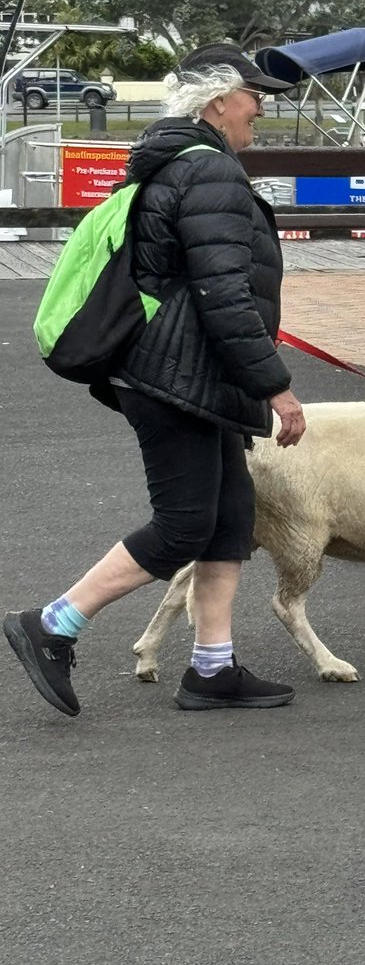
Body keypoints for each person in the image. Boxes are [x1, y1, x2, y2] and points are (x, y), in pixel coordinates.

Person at [4, 43, 306, 717]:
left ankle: (212, 667)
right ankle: (52, 623)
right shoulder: (212, 175)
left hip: (188, 373)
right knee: (183, 526)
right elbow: (224, 296)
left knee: (229, 519)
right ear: (217, 101)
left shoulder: (172, 163)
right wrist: (276, 386)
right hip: (177, 377)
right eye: (252, 94)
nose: (260, 106)